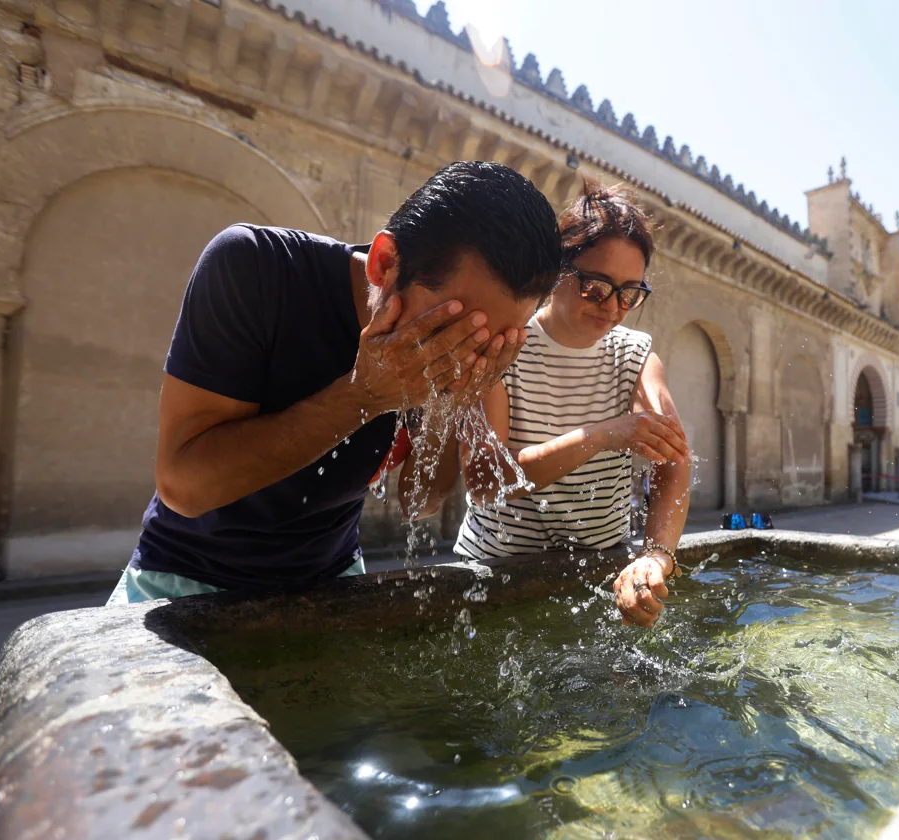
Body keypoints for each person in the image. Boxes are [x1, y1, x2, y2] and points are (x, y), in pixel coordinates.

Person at [107, 162, 562, 604]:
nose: (462, 353)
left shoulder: (454, 348)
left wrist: (455, 402)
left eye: (491, 342)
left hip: (334, 581)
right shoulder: (258, 268)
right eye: (450, 331)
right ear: (385, 264)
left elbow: (419, 501)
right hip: (184, 579)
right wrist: (363, 395)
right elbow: (183, 486)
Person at [454, 181, 692, 628]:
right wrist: (601, 434)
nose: (614, 307)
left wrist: (656, 555)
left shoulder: (635, 355)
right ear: (557, 269)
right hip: (495, 575)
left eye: (629, 293)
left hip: (599, 572)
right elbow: (485, 479)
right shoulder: (507, 342)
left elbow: (674, 461)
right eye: (596, 286)